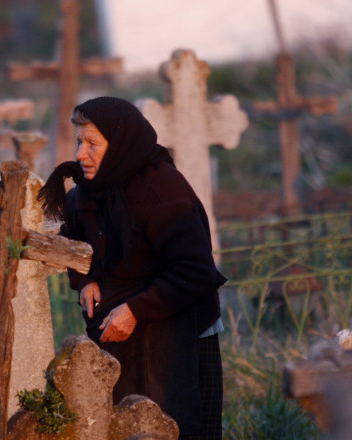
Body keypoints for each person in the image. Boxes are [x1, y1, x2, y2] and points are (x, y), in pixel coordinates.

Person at [38, 97, 226, 439]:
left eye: (93, 143)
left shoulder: (164, 193)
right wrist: (84, 279)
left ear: (121, 144)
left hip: (183, 330)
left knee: (183, 425)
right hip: (124, 334)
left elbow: (195, 269)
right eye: (79, 142)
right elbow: (73, 240)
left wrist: (136, 310)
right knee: (125, 425)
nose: (81, 154)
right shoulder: (91, 191)